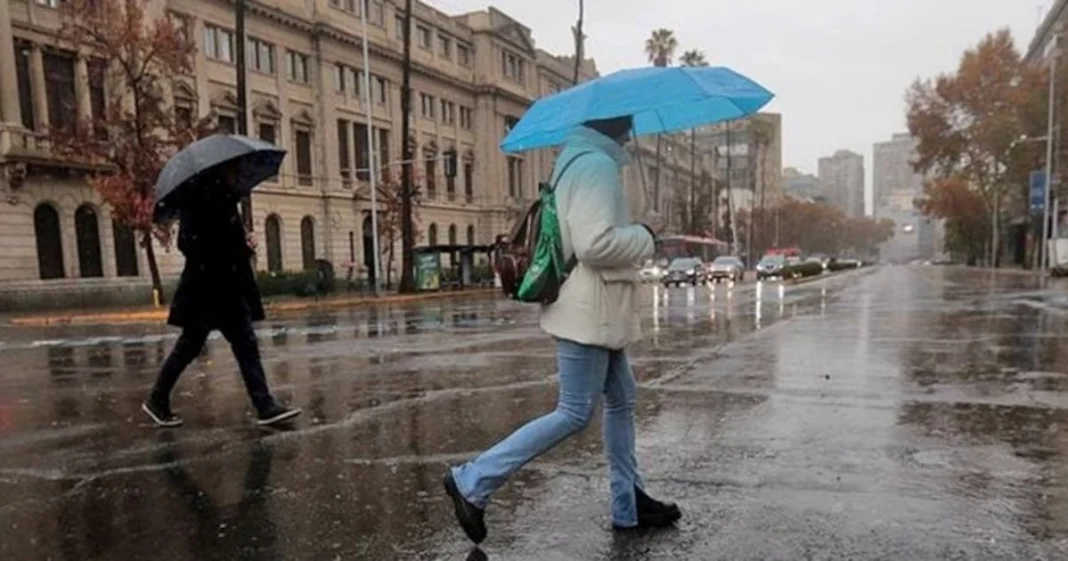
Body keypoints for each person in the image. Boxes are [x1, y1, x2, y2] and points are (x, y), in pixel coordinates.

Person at [443, 116, 681, 543]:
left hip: (598, 310)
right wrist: (646, 233)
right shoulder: (595, 166)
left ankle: (629, 501)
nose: (632, 132)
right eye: (628, 125)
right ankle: (473, 480)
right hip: (587, 312)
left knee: (623, 398)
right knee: (573, 411)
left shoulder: (577, 160)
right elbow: (595, 244)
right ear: (617, 127)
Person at [142, 161, 301, 428]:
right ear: (221, 172)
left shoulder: (224, 200)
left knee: (241, 343)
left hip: (223, 288)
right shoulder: (202, 201)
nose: (238, 175)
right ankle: (157, 399)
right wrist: (238, 245)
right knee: (194, 346)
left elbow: (223, 242)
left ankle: (264, 405)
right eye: (234, 170)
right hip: (208, 289)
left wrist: (242, 242)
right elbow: (190, 244)